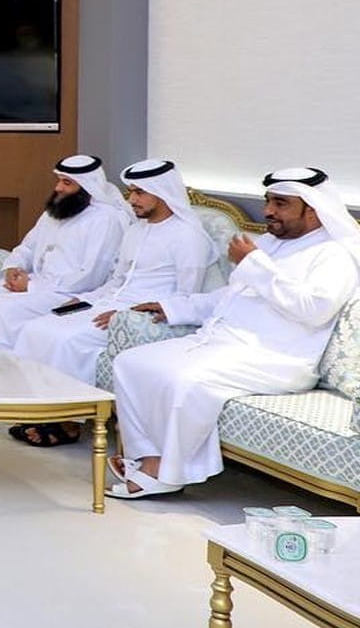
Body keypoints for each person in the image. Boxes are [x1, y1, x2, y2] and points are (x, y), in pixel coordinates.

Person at [107, 168, 360, 497]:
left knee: (186, 380)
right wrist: (173, 307)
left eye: (280, 203)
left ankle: (168, 473)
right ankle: (147, 456)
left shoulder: (334, 254)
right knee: (130, 363)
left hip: (278, 358)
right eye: (268, 201)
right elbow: (230, 296)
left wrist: (253, 263)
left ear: (312, 210)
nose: (268, 211)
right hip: (224, 342)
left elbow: (314, 310)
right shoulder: (270, 243)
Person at [5, 159, 215, 447]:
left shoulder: (188, 236)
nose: (132, 200)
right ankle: (39, 411)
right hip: (108, 304)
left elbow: (186, 295)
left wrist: (125, 314)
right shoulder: (137, 230)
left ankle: (67, 421)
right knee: (38, 327)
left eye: (139, 193)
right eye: (131, 192)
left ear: (162, 192)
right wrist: (85, 301)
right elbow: (117, 281)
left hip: (141, 316)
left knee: (66, 339)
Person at [0, 154, 128, 350]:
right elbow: (28, 247)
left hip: (67, 293)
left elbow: (91, 276)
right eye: (59, 181)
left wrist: (31, 286)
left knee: (6, 311)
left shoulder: (106, 220)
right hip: (36, 283)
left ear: (87, 187)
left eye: (67, 183)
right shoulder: (56, 211)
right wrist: (13, 266)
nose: (58, 188)